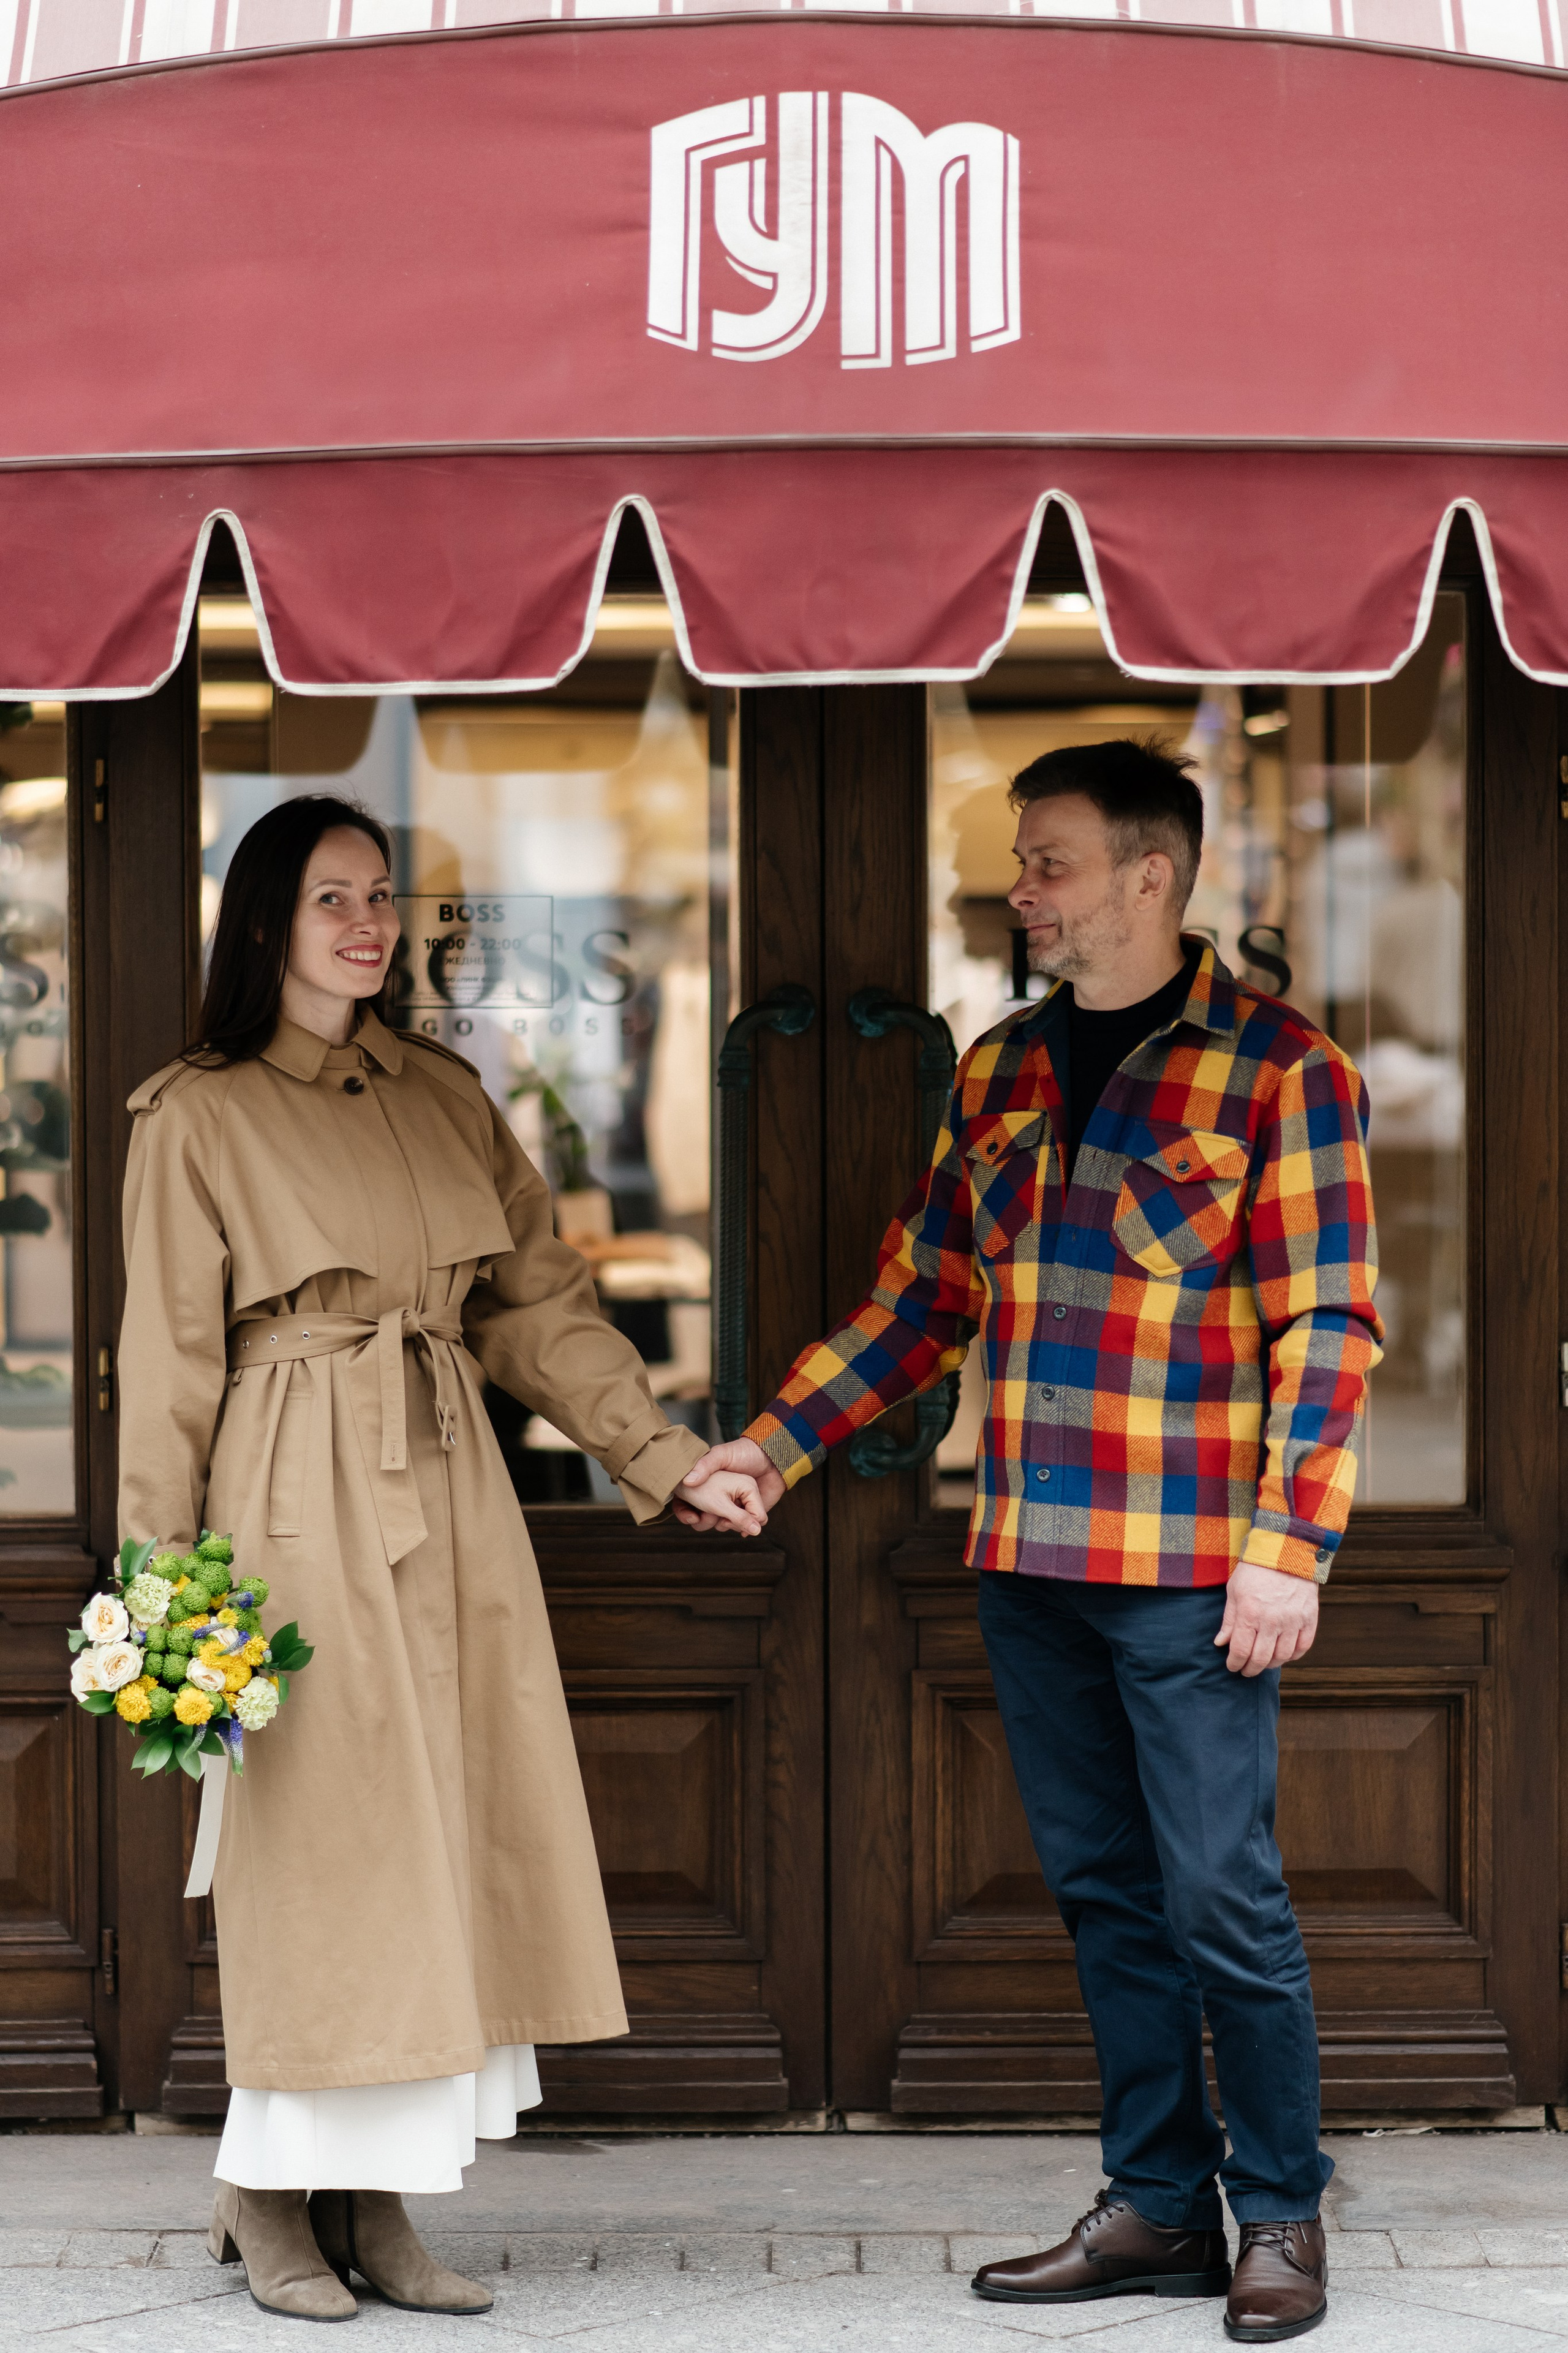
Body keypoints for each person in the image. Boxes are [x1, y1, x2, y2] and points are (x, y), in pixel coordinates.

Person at [680, 739, 1382, 2346]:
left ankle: (1278, 2211)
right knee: (1107, 1897)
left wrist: (1292, 1547)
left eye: (1049, 861)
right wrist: (774, 1446)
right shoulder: (995, 1069)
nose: (1023, 892)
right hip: (1033, 1562)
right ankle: (1154, 2202)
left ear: (1153, 871)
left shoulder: (1284, 1070)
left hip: (1200, 1569)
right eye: (1021, 864)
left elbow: (1331, 1326)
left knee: (1225, 1898)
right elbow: (922, 1302)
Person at [117, 796, 767, 2324]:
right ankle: (269, 2192)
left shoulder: (440, 1093)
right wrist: (160, 1596)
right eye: (333, 895)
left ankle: (381, 2202)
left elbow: (534, 1307)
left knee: (437, 1846)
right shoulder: (195, 1112)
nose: (368, 922)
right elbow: (164, 1366)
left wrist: (660, 1456)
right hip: (288, 1497)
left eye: (383, 895)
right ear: (265, 919)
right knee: (324, 1848)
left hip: (450, 1490)